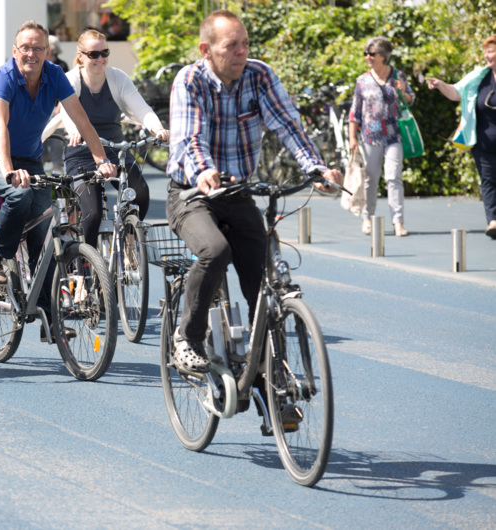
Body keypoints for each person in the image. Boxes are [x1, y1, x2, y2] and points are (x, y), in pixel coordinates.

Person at [165, 10, 341, 373]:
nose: (242, 52)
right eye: (232, 46)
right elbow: (189, 137)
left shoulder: (258, 75)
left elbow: (289, 125)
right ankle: (187, 338)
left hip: (237, 192)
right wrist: (205, 171)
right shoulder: (189, 81)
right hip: (191, 193)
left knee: (261, 279)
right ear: (207, 49)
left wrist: (315, 168)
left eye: (245, 44)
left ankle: (268, 372)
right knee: (215, 251)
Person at [0, 21, 116, 336]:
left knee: (45, 230)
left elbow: (82, 120)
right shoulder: (4, 77)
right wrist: (8, 169)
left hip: (31, 157)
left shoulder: (55, 76)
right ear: (15, 51)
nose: (31, 53)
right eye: (26, 47)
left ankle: (51, 320)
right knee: (19, 196)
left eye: (38, 48)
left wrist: (101, 159)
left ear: (47, 52)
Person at [54, 28, 169, 248]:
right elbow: (67, 112)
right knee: (92, 213)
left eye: (104, 53)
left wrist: (157, 128)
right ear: (80, 56)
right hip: (82, 153)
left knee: (141, 194)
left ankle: (129, 237)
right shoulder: (70, 80)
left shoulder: (117, 78)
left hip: (115, 149)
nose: (100, 59)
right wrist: (75, 129)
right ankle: (87, 266)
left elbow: (141, 108)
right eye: (93, 54)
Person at [426, 35, 496, 239]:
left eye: (491, 51)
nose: (487, 56)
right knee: (489, 181)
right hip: (483, 142)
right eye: (486, 52)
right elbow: (456, 92)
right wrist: (440, 84)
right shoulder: (479, 77)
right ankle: (493, 221)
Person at [349, 37, 415, 237]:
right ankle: (367, 217)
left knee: (394, 177)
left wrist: (404, 91)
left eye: (372, 54)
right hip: (370, 137)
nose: (368, 57)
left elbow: (411, 101)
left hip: (394, 134)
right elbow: (355, 112)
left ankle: (398, 221)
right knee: (371, 179)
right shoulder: (362, 81)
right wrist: (352, 138)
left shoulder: (397, 75)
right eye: (366, 54)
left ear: (383, 56)